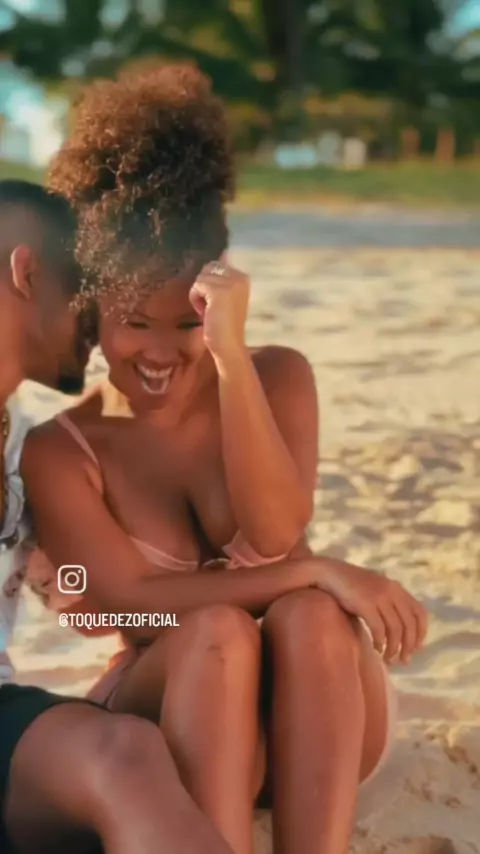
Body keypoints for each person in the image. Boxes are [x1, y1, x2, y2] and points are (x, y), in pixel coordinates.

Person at [22, 67, 428, 854]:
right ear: (93, 308)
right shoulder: (62, 450)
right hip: (176, 714)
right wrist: (319, 570)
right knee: (219, 631)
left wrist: (233, 359)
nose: (161, 354)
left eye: (189, 324)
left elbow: (273, 531)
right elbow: (127, 608)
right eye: (135, 322)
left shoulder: (277, 378)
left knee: (312, 617)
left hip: (321, 717)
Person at [0, 179, 234, 854]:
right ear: (26, 273)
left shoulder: (21, 443)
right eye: (87, 287)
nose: (101, 320)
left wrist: (127, 606)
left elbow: (80, 599)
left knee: (125, 751)